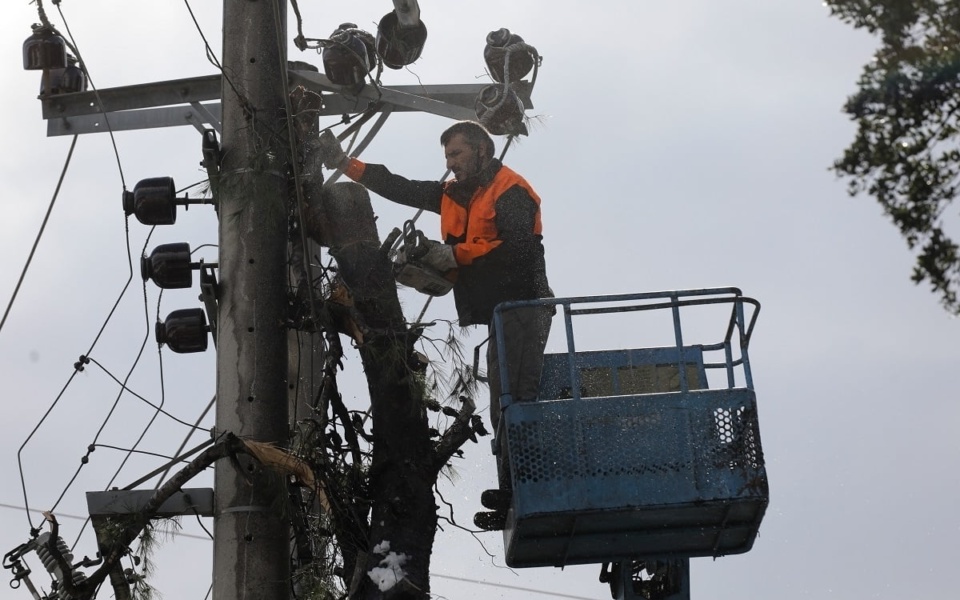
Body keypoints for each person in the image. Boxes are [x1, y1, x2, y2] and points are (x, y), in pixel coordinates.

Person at [317, 121, 552, 530]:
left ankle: (524, 489)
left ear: (481, 149)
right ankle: (514, 489)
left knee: (516, 399)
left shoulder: (511, 190)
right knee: (504, 403)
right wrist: (344, 163)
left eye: (457, 154)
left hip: (524, 306)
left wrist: (453, 256)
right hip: (501, 313)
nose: (451, 164)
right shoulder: (450, 195)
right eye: (446, 157)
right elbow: (398, 185)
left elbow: (518, 251)